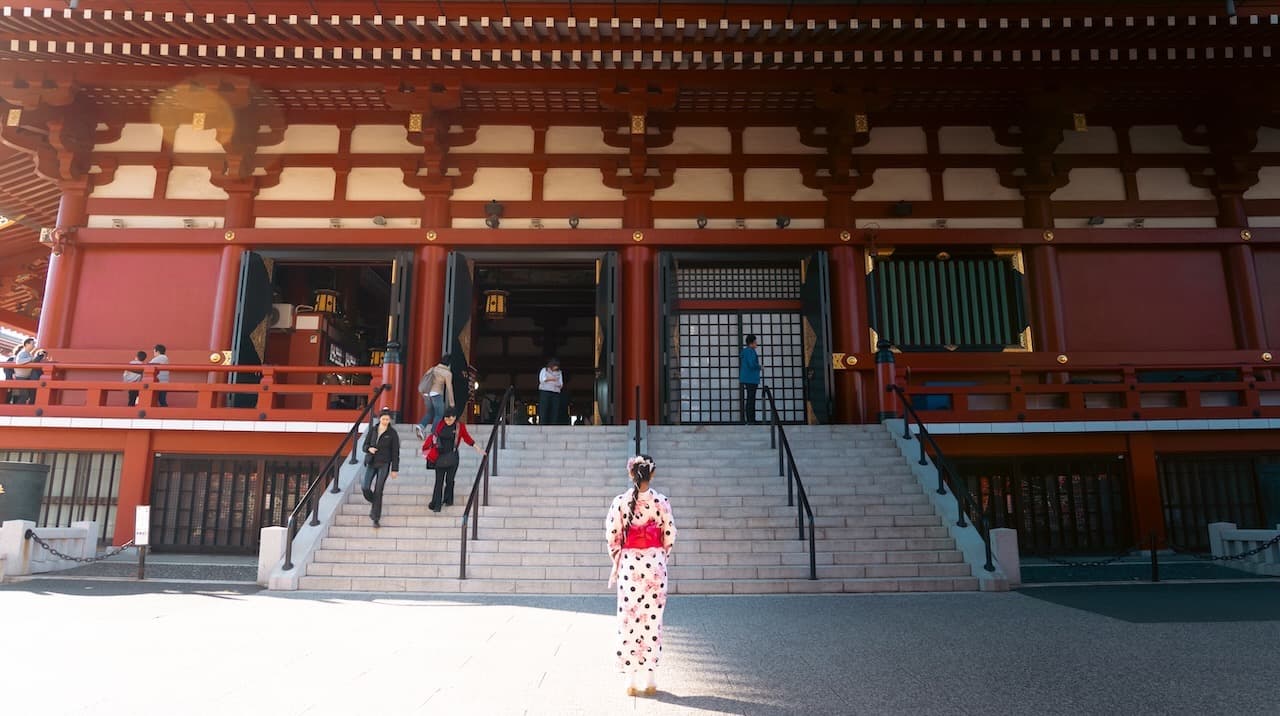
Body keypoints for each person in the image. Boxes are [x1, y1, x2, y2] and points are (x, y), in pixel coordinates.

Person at [605, 454, 677, 697]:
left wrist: (619, 557)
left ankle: (631, 680)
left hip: (630, 568)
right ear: (652, 474)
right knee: (652, 620)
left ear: (631, 474)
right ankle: (650, 678)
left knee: (629, 620)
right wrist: (660, 556)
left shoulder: (621, 502)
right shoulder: (661, 501)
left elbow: (612, 535)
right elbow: (669, 534)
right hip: (654, 565)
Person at [424, 407, 485, 512]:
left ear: (455, 418)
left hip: (453, 457)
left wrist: (477, 448)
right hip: (440, 456)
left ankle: (448, 499)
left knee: (450, 480)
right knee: (439, 481)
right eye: (446, 419)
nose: (448, 421)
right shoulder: (440, 424)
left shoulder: (459, 427)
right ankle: (437, 504)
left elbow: (466, 437)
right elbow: (434, 437)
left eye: (451, 419)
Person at [360, 409, 400, 527]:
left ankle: (375, 518)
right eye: (383, 419)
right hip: (372, 461)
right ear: (379, 419)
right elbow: (364, 446)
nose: (385, 421)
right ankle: (375, 502)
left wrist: (394, 469)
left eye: (387, 419)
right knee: (365, 487)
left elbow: (395, 452)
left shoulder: (392, 433)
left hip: (384, 463)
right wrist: (369, 449)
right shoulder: (373, 430)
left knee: (378, 490)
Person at [414, 354, 454, 440]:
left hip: (427, 394)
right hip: (436, 394)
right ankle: (434, 433)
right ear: (449, 364)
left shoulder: (433, 369)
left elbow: (424, 380)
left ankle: (421, 426)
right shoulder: (447, 373)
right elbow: (449, 388)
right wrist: (451, 402)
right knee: (439, 414)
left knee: (430, 412)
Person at [739, 334, 761, 424]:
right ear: (751, 343)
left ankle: (750, 419)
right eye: (755, 342)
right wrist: (760, 367)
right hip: (751, 378)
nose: (756, 343)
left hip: (747, 378)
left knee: (750, 399)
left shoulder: (745, 352)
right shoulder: (750, 351)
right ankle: (751, 420)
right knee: (751, 399)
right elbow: (752, 364)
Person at [537, 357, 563, 426]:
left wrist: (551, 380)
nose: (556, 367)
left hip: (556, 393)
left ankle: (553, 425)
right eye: (555, 365)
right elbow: (542, 380)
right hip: (545, 392)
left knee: (555, 410)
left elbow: (561, 384)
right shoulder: (544, 370)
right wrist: (552, 379)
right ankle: (542, 425)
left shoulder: (559, 372)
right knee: (544, 409)